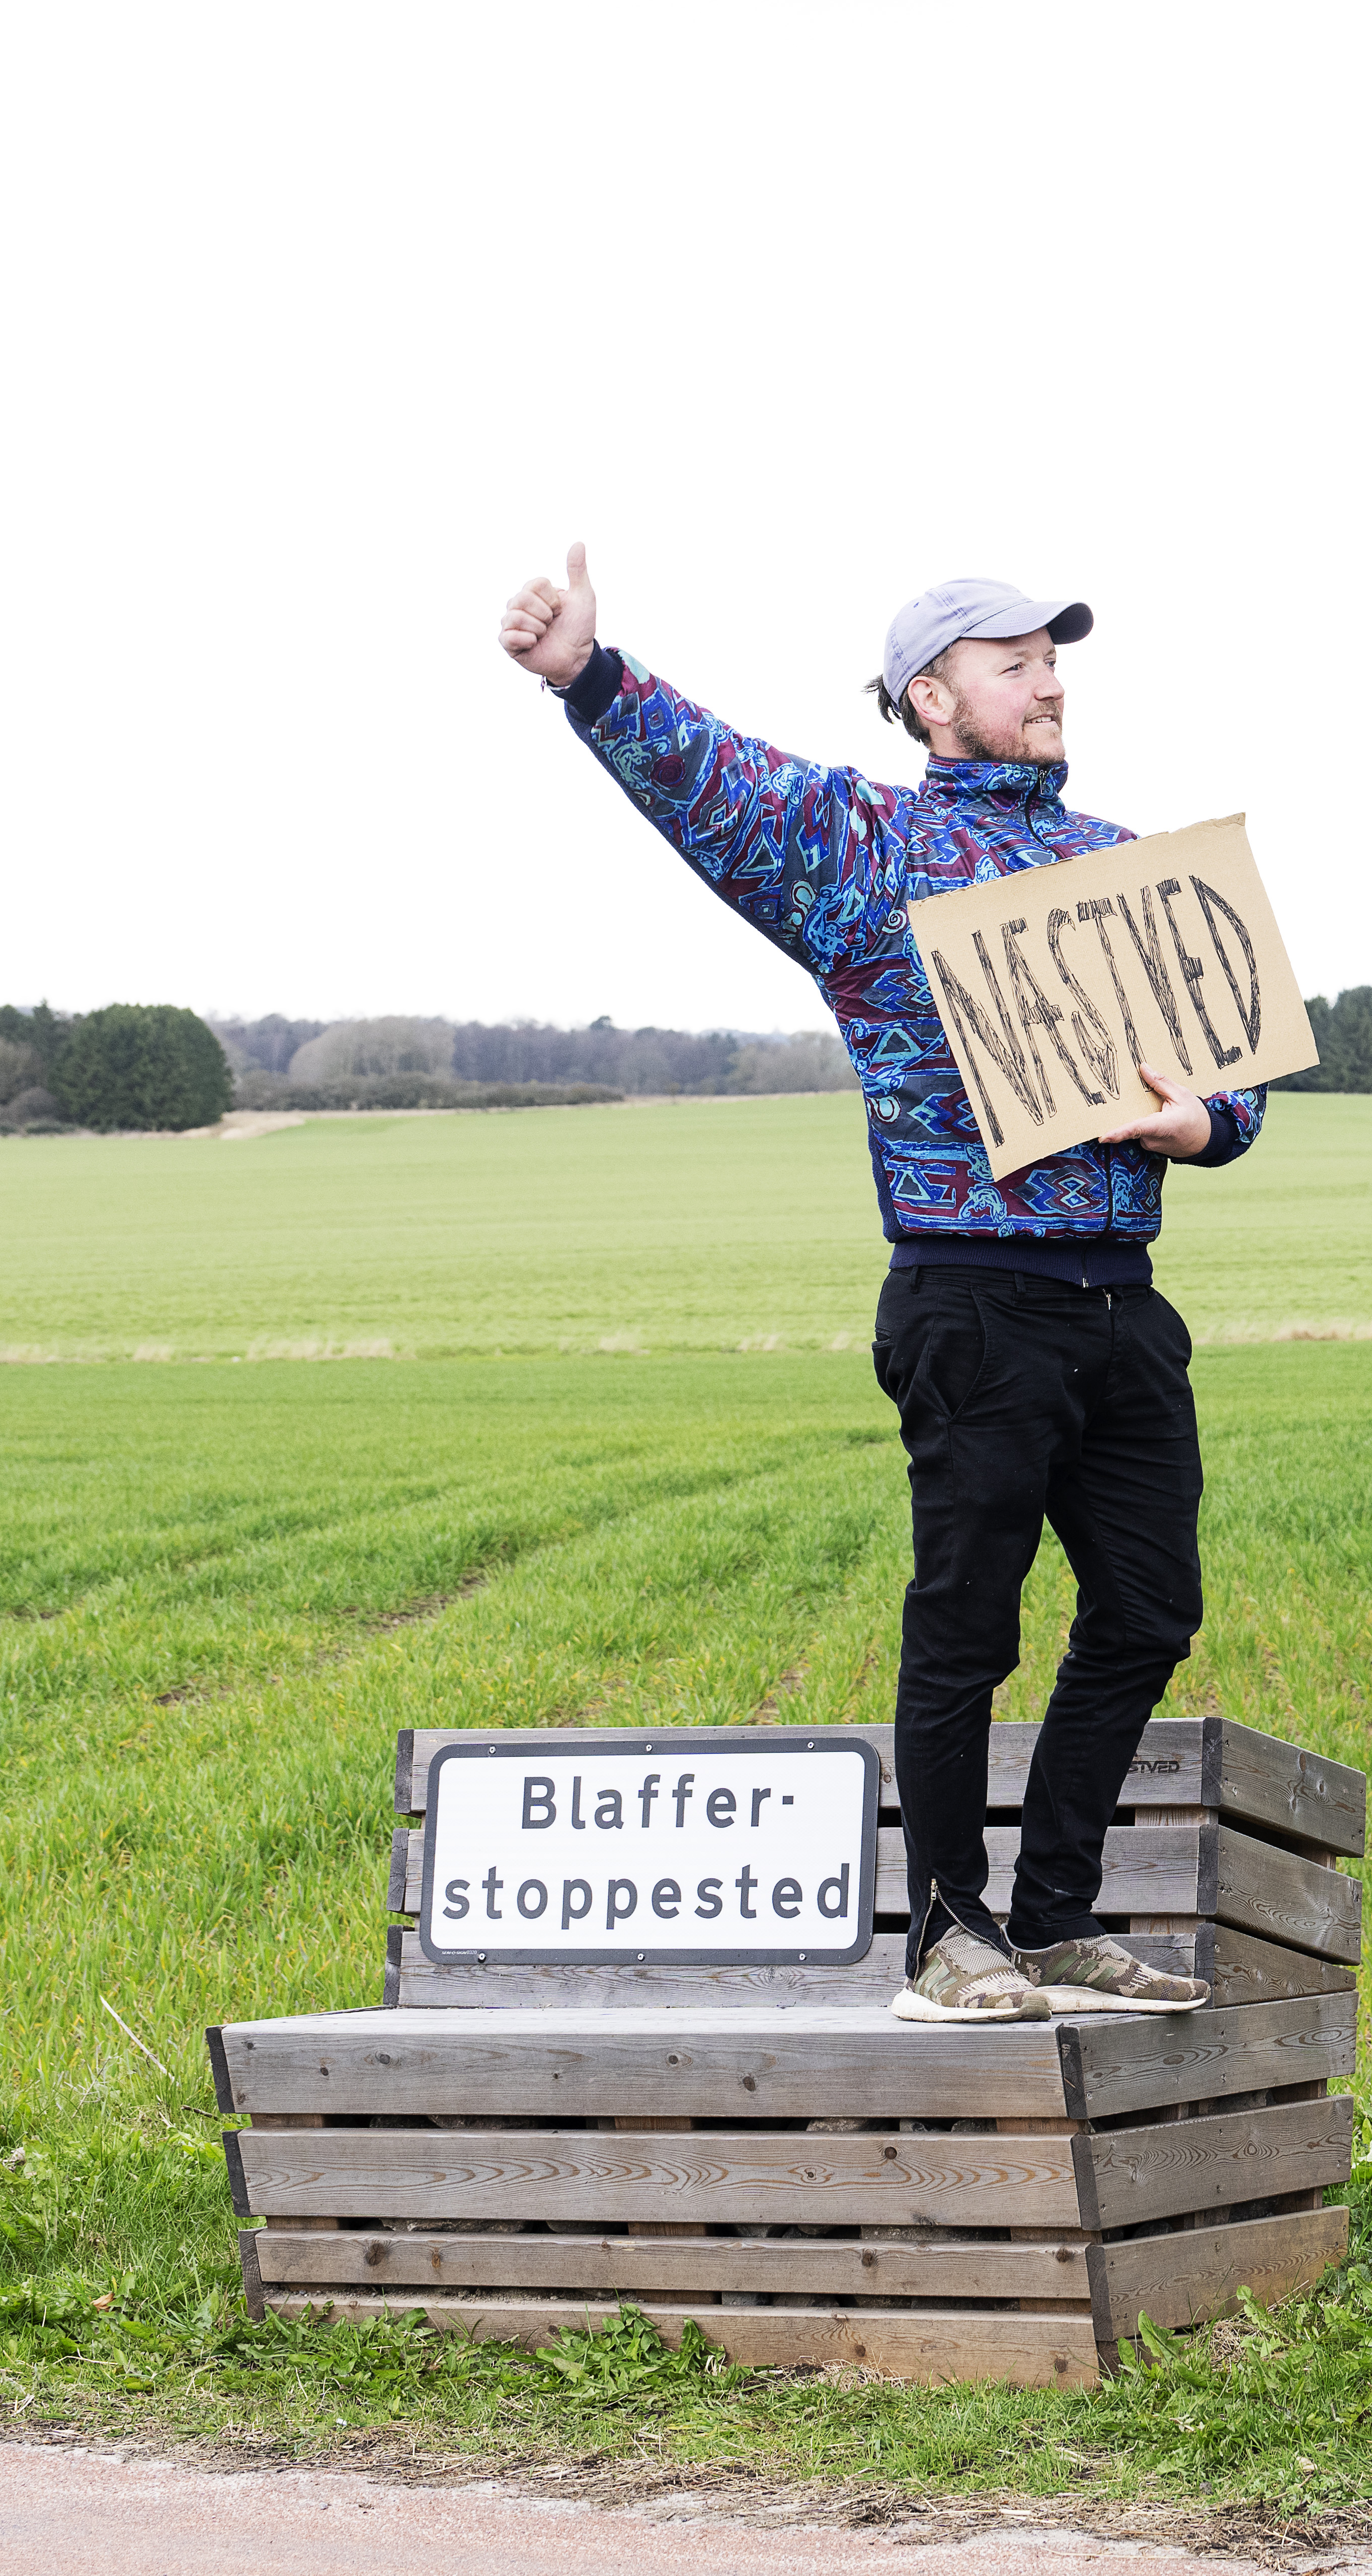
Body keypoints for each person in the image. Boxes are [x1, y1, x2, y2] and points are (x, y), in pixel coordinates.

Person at [497, 544, 1257, 2027]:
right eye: (1013, 663)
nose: (1047, 683)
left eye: (1054, 660)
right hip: (971, 1302)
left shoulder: (1121, 860)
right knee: (967, 1623)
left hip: (1124, 1304)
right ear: (932, 698)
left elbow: (1232, 1091)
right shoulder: (867, 852)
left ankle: (1050, 1923)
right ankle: (948, 1943)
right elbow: (713, 781)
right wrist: (589, 675)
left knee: (1152, 1611)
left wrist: (1202, 1124)